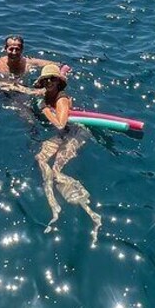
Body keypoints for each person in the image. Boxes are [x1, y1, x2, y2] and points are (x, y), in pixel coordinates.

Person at [34, 64, 102, 245]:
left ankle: (87, 207)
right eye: (45, 79)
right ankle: (53, 205)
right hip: (61, 135)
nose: (49, 81)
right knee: (40, 159)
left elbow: (60, 124)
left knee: (56, 170)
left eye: (52, 78)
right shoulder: (45, 94)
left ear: (58, 82)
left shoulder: (62, 100)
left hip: (75, 133)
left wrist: (45, 110)